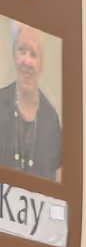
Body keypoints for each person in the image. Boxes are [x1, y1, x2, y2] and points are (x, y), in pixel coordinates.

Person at [3, 22, 61, 182]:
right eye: (22, 50)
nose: (27, 61)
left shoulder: (51, 119)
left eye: (33, 54)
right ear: (14, 54)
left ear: (41, 63)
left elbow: (57, 180)